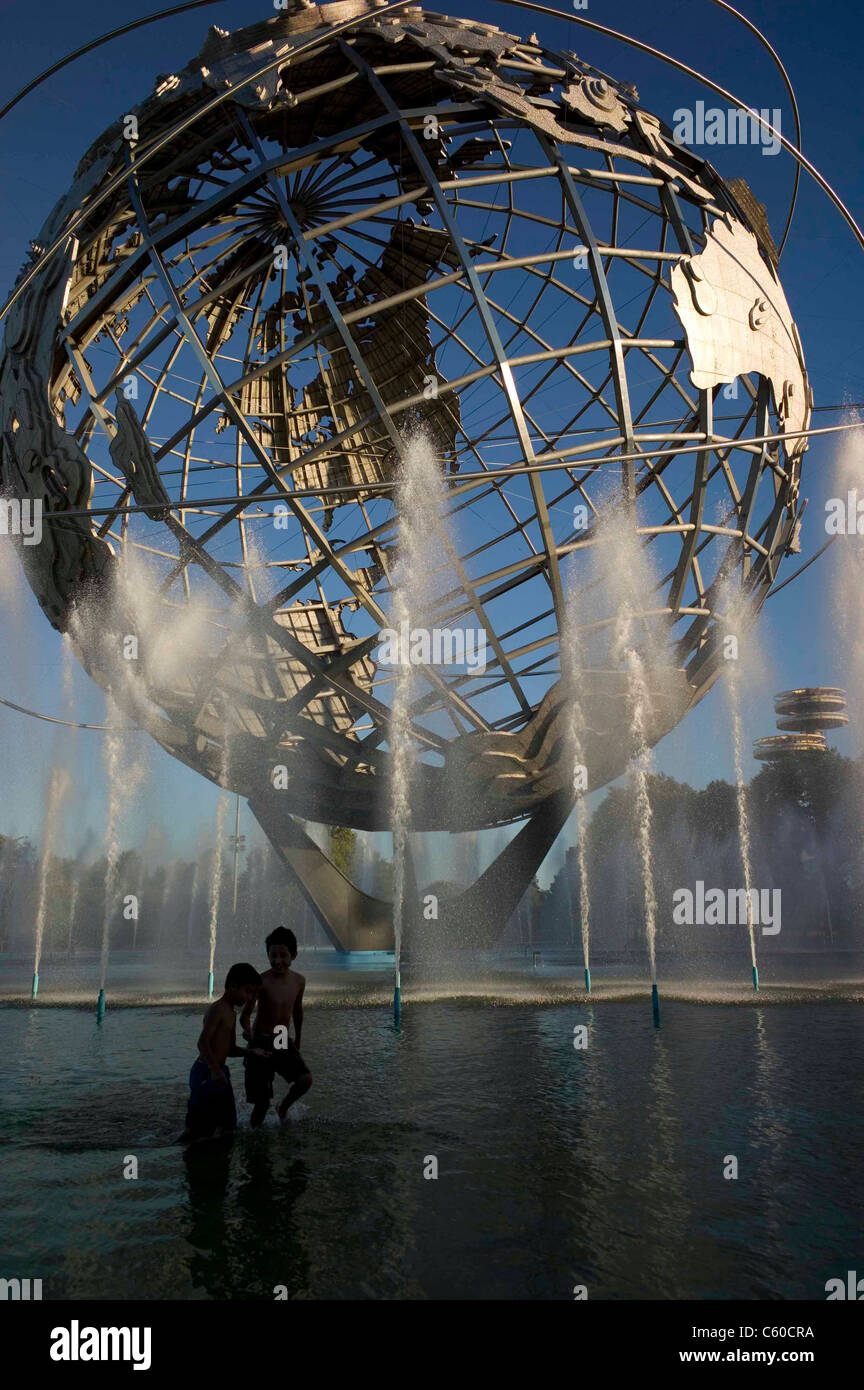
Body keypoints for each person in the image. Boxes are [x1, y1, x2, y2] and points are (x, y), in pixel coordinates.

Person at [178, 962, 263, 1142]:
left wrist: (252, 1053)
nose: (248, 998)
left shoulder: (231, 1013)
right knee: (196, 1129)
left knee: (228, 1124)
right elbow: (202, 1042)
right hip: (206, 1072)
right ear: (232, 986)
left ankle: (218, 1159)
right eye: (247, 991)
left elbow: (229, 1049)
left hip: (219, 1072)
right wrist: (215, 1070)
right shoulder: (218, 1009)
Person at [241, 925, 312, 1126]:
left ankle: (283, 1107)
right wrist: (246, 1029)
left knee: (304, 1079)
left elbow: (297, 1012)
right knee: (262, 1103)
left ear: (294, 955)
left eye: (283, 955)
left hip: (281, 1037)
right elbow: (245, 1014)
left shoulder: (299, 981)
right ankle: (254, 1135)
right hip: (261, 1040)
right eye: (273, 955)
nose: (277, 960)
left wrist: (297, 1038)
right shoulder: (261, 981)